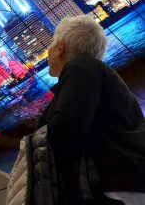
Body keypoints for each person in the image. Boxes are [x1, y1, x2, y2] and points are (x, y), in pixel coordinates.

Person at [36, 15, 145, 204]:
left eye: (51, 44)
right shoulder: (97, 74)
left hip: (117, 185)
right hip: (128, 181)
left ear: (60, 47)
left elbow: (67, 130)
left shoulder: (81, 66)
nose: (48, 51)